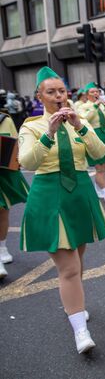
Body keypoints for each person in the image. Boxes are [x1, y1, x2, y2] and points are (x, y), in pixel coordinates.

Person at [19, 66, 105, 353]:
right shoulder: (31, 126)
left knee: (79, 261)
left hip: (80, 194)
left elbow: (100, 154)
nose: (58, 96)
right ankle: (80, 332)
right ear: (40, 96)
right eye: (51, 92)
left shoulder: (79, 120)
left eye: (61, 91)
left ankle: (76, 307)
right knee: (68, 268)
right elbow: (28, 162)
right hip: (49, 195)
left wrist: (79, 126)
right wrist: (49, 133)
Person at [0, 111, 29, 279]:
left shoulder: (5, 119)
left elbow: (15, 146)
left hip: (3, 173)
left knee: (3, 210)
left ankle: (2, 247)